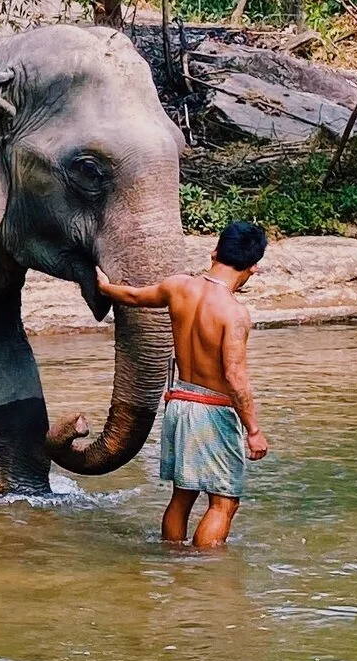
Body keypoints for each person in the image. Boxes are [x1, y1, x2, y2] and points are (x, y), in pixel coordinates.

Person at [98, 221, 271, 551]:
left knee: (183, 495)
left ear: (215, 252)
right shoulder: (234, 313)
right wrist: (253, 430)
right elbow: (235, 378)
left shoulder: (178, 287)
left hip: (179, 402)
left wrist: (105, 287)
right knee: (224, 503)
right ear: (253, 267)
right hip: (213, 410)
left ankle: (175, 563)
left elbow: (133, 296)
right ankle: (205, 576)